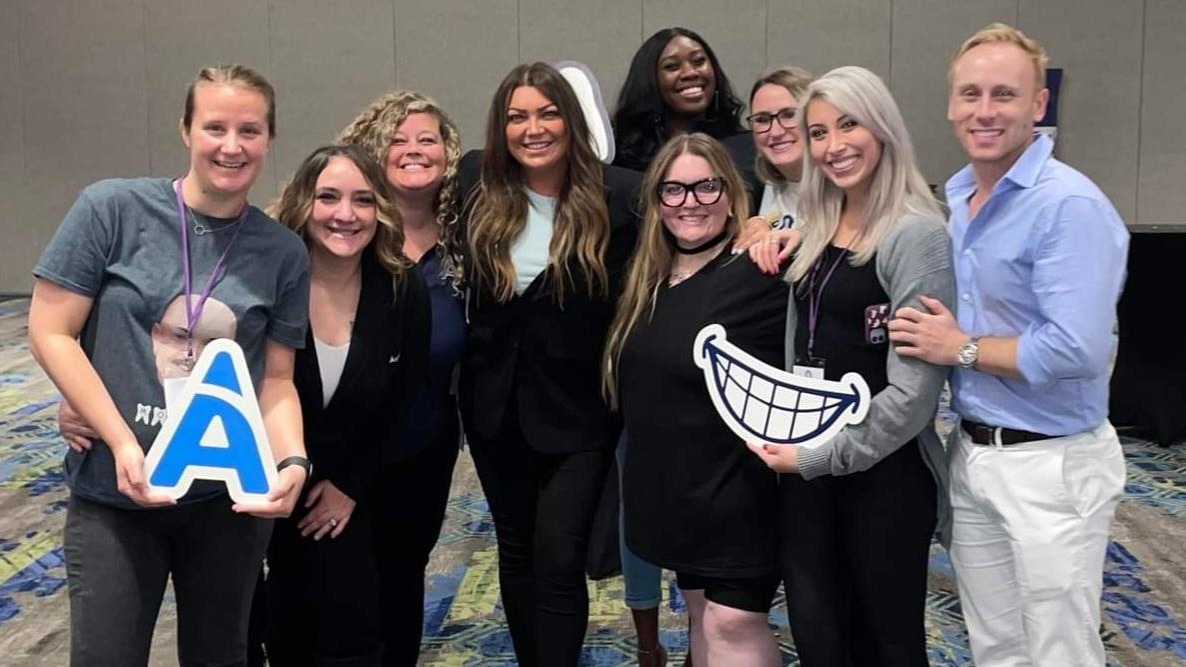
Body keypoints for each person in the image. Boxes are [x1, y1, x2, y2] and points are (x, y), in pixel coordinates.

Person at [30, 64, 310, 666]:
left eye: (250, 131)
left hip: (226, 507)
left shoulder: (282, 252)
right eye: (215, 126)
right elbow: (51, 331)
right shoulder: (112, 209)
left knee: (219, 656)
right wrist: (119, 439)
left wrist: (292, 460)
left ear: (268, 139)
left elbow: (277, 380)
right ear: (185, 129)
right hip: (116, 497)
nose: (231, 146)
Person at [888, 24, 1129, 667]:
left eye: (1004, 94)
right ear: (950, 104)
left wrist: (961, 349)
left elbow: (1075, 351)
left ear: (1037, 105)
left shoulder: (1068, 207)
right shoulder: (961, 197)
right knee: (995, 645)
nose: (984, 111)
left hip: (1053, 466)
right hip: (974, 452)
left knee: (1061, 650)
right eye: (971, 94)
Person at [746, 66, 954, 667]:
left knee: (886, 644)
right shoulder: (816, 224)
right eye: (818, 132)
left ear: (883, 128)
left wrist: (816, 455)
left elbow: (913, 397)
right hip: (809, 473)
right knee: (819, 637)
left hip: (882, 476)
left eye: (848, 125)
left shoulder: (917, 235)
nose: (833, 145)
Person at [457, 61, 641, 667]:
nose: (532, 128)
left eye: (546, 112)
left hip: (581, 413)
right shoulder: (475, 190)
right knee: (515, 550)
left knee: (558, 557)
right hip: (494, 408)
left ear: (570, 118)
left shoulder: (620, 197)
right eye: (516, 116)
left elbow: (697, 232)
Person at [605, 133, 785, 667]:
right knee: (701, 612)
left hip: (740, 493)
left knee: (732, 621)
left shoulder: (760, 269)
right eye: (675, 190)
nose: (691, 202)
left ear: (731, 192)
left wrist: (775, 227)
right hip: (677, 497)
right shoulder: (648, 279)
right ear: (657, 200)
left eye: (707, 186)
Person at [262, 144, 430, 667]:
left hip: (337, 489)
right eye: (328, 197)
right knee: (249, 627)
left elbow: (403, 398)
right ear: (301, 203)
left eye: (362, 200)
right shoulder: (266, 279)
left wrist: (349, 486)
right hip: (254, 482)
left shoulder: (402, 287)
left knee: (348, 631)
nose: (345, 215)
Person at [336, 90, 466, 666]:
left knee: (403, 578)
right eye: (397, 139)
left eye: (427, 139)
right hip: (337, 449)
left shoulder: (470, 242)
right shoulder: (341, 233)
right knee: (338, 593)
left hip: (424, 444)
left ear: (448, 153)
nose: (413, 150)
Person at [611, 27, 754, 185]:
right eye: (672, 66)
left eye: (699, 61)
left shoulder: (747, 149)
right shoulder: (622, 156)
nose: (690, 72)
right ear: (649, 81)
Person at [745, 66, 814, 229]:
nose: (775, 132)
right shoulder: (770, 186)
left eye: (789, 115)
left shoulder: (844, 189)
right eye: (762, 119)